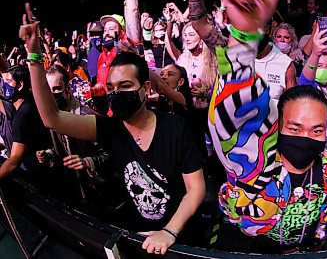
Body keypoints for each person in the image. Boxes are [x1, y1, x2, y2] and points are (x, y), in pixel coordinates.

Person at [20, 20, 205, 255]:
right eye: (110, 88)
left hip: (183, 240)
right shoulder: (111, 128)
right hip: (139, 238)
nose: (116, 94)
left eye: (125, 86)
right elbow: (52, 119)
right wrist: (34, 57)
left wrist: (168, 232)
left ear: (146, 88)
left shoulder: (176, 128)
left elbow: (196, 188)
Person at [208, 0, 327, 253]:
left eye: (316, 130)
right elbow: (235, 115)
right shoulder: (256, 167)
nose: (305, 137)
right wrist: (243, 34)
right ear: (279, 124)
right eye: (295, 127)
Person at [35, 65, 113, 203]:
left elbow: (111, 153)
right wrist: (49, 154)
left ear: (68, 89)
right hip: (78, 189)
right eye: (49, 90)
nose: (53, 94)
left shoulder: (84, 116)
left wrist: (87, 162)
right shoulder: (52, 115)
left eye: (57, 88)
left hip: (101, 192)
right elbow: (67, 148)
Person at [298, 27, 327, 147]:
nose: (324, 69)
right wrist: (315, 54)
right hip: (310, 142)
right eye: (320, 65)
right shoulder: (310, 88)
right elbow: (305, 79)